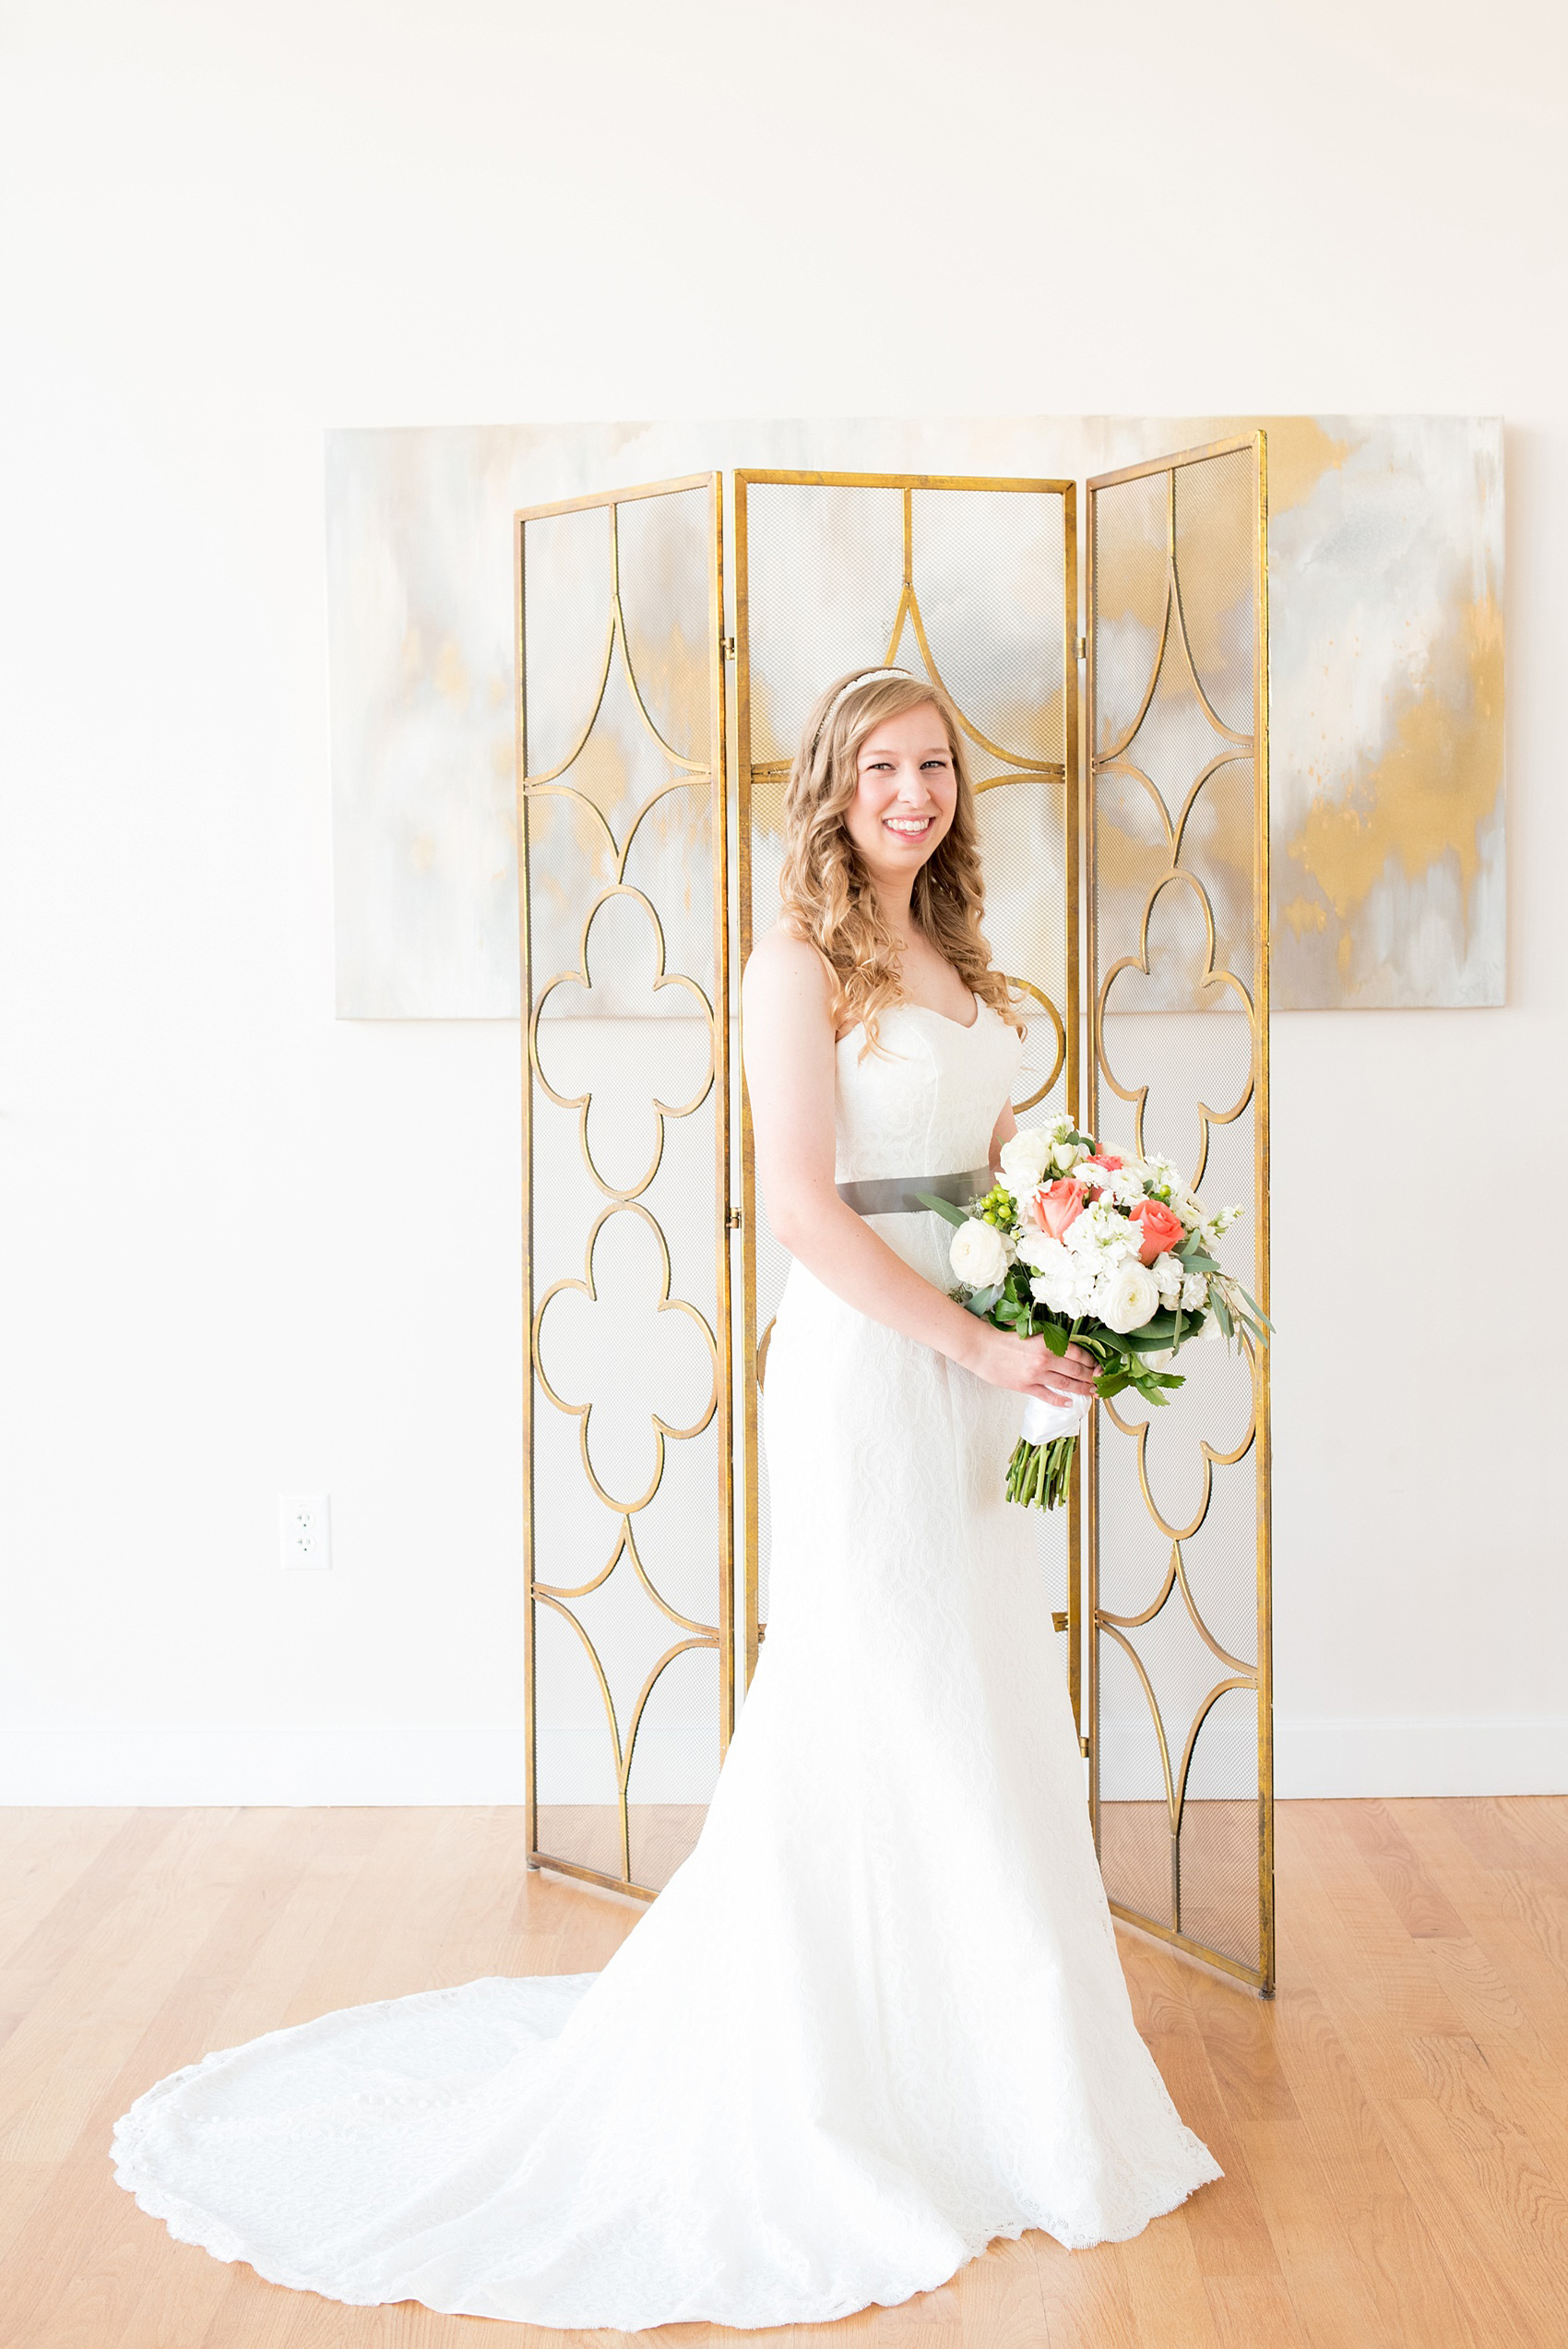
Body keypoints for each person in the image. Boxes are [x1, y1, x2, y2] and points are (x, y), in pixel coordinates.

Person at [112, 667, 1219, 2331]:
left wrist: (1082, 1275)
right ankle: (840, 2071)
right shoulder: (799, 964)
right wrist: (975, 1348)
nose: (914, 791)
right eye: (884, 767)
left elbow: (998, 1173)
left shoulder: (966, 964)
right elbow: (800, 1209)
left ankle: (1001, 2079)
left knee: (987, 1693)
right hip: (870, 1368)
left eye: (936, 767)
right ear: (833, 788)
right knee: (880, 1687)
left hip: (987, 1362)